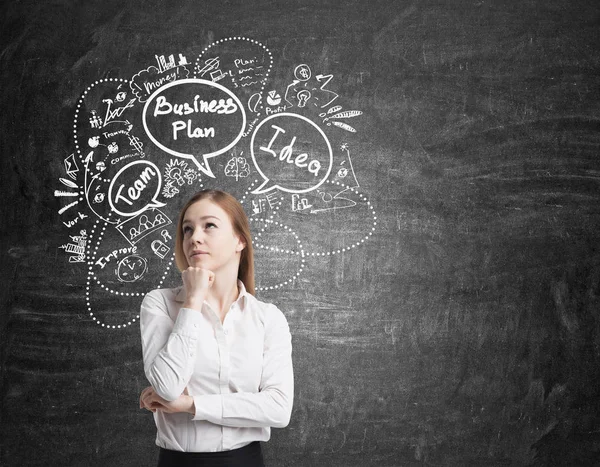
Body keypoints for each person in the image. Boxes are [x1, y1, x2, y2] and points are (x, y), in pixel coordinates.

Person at [138, 189, 294, 467]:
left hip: (246, 460)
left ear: (239, 240)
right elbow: (167, 387)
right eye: (187, 229)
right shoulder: (159, 303)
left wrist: (192, 405)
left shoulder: (268, 318)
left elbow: (279, 409)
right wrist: (194, 299)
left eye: (209, 225)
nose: (194, 237)